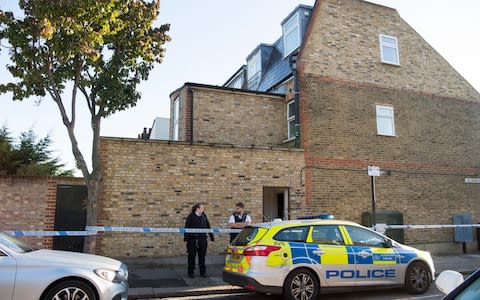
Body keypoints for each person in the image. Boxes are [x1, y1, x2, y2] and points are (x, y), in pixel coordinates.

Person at [184, 203, 214, 278]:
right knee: (191, 256)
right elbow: (186, 227)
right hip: (192, 239)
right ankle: (190, 273)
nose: (203, 209)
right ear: (197, 208)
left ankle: (203, 273)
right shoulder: (191, 216)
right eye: (202, 208)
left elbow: (208, 226)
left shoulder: (204, 216)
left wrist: (211, 236)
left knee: (202, 256)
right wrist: (186, 239)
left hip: (202, 239)